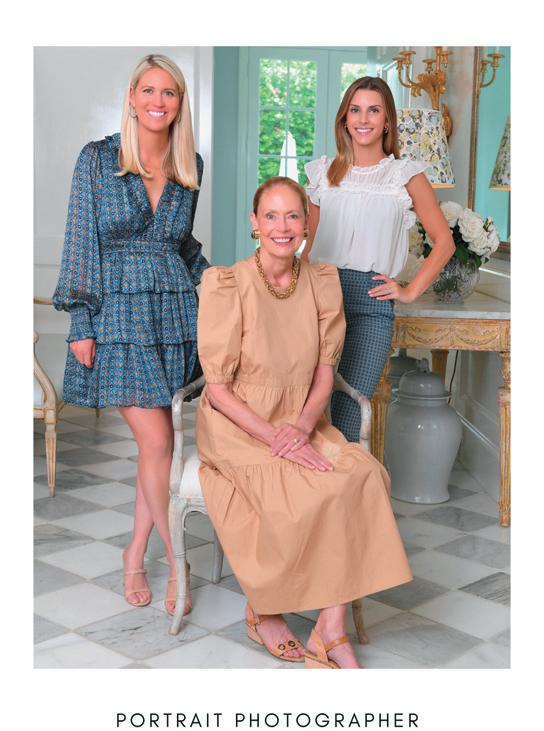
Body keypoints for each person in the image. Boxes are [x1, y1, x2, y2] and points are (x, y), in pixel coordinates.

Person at [196, 176, 411, 670]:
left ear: (307, 224)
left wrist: (300, 428)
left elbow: (324, 374)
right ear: (254, 223)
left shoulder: (320, 281)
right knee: (303, 493)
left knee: (364, 475)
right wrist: (277, 438)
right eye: (271, 216)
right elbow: (219, 391)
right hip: (239, 423)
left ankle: (329, 627)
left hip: (301, 417)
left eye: (293, 215)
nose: (283, 226)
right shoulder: (227, 284)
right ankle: (264, 608)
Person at [53, 52, 208, 615]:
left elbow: (183, 248)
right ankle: (178, 562)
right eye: (149, 90)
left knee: (157, 447)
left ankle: (135, 553)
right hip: (117, 316)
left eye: (169, 92)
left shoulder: (189, 163)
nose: (157, 102)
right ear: (132, 97)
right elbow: (80, 239)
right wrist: (81, 320)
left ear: (179, 103)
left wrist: (226, 285)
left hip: (174, 316)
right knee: (159, 444)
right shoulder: (97, 158)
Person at [303, 77, 455, 441]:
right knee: (301, 404)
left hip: (371, 303)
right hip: (318, 295)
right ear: (344, 119)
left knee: (349, 410)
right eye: (355, 110)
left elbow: (445, 242)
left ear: (387, 120)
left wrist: (409, 291)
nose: (363, 119)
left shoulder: (405, 175)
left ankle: (346, 478)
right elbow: (309, 245)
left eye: (373, 110)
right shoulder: (322, 172)